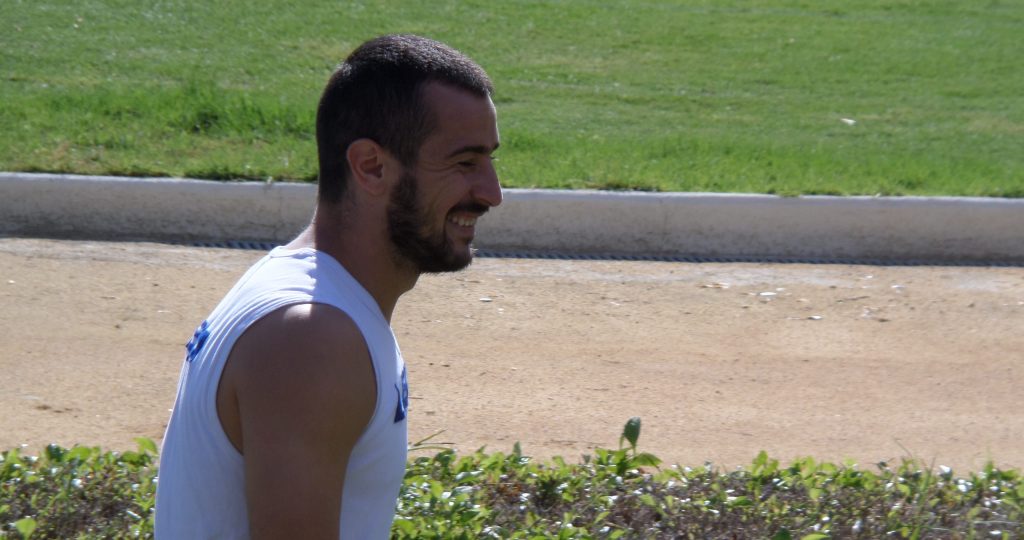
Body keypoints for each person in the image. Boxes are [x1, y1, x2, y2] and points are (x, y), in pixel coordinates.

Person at [154, 34, 502, 539]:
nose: (492, 192)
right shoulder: (313, 339)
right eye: (465, 163)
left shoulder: (314, 301)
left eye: (490, 161)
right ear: (371, 167)